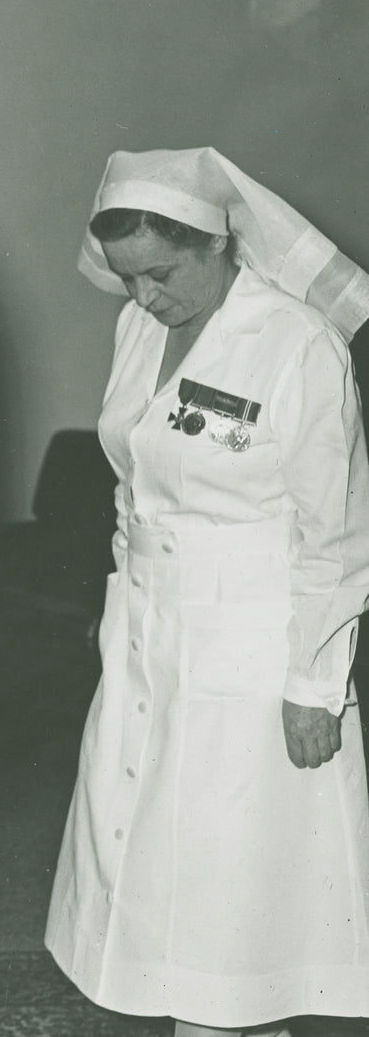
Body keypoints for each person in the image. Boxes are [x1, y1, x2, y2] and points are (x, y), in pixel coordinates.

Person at [46, 147, 369, 1037]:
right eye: (125, 279)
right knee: (152, 901)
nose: (144, 297)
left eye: (160, 273)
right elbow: (133, 481)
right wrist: (125, 602)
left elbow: (337, 534)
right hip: (150, 643)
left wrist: (314, 683)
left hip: (255, 662)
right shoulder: (138, 330)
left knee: (234, 931)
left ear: (218, 242)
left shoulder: (295, 344)